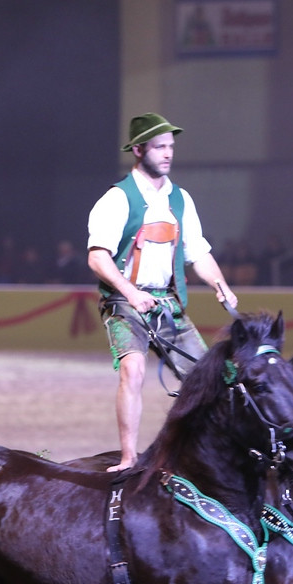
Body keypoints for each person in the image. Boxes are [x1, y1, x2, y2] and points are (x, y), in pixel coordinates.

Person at [87, 112, 238, 472]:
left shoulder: (180, 199)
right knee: (134, 370)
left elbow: (197, 252)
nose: (168, 153)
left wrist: (222, 287)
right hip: (125, 301)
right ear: (139, 150)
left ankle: (217, 455)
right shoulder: (117, 199)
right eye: (159, 147)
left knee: (209, 378)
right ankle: (128, 457)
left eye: (170, 146)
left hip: (167, 302)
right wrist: (130, 292)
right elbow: (97, 257)